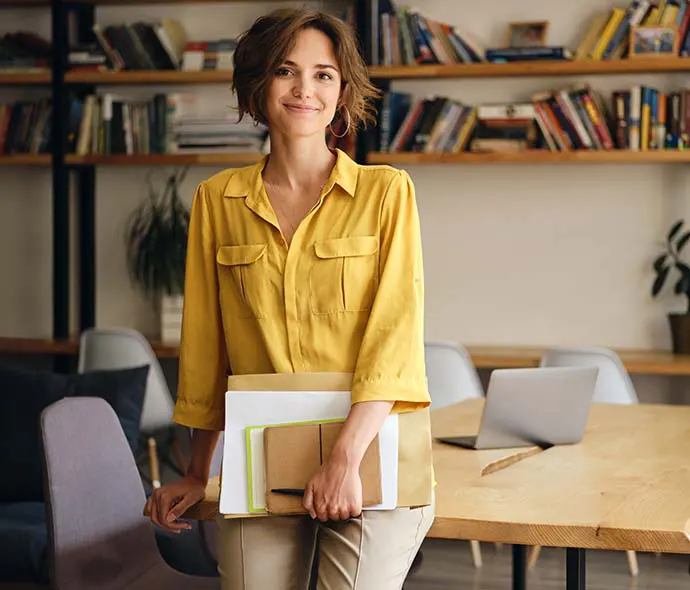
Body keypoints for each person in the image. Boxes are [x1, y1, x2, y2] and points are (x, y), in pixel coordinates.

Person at [145, 7, 434, 589]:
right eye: (286, 71)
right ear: (258, 86)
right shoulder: (216, 200)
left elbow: (394, 340)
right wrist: (197, 472)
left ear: (342, 92)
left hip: (371, 454)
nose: (306, 89)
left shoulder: (387, 193)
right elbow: (207, 348)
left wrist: (343, 458)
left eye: (324, 74)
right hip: (261, 460)